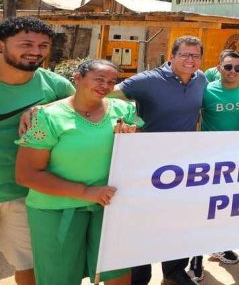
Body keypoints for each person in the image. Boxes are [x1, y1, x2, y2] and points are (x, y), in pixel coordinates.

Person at [16, 60, 139, 285]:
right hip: (55, 210)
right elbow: (27, 174)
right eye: (99, 79)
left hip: (108, 204)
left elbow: (135, 157)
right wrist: (86, 192)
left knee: (117, 271)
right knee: (59, 277)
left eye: (112, 82)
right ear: (78, 78)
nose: (106, 86)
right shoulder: (46, 118)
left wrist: (132, 141)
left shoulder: (124, 111)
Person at [111, 35, 207, 285]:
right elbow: (107, 95)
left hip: (183, 163)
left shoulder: (201, 79)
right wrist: (130, 123)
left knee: (178, 219)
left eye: (195, 56)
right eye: (184, 55)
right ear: (172, 56)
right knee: (143, 222)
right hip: (146, 163)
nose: (190, 60)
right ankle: (140, 276)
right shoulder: (148, 80)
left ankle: (174, 270)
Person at [0, 17, 74, 285]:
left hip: (25, 193)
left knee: (30, 266)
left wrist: (47, 108)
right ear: (2, 45)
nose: (36, 50)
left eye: (43, 45)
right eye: (26, 43)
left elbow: (88, 104)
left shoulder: (55, 86)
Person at [197, 51, 239, 280]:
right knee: (206, 209)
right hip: (211, 160)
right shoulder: (206, 90)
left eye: (237, 68)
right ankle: (196, 261)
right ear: (219, 67)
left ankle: (219, 246)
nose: (232, 71)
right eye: (228, 67)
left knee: (231, 208)